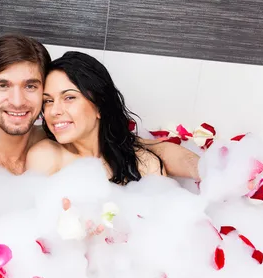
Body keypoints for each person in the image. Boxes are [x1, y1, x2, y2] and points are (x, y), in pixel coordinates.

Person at [0, 33, 200, 181]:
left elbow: (143, 147)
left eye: (31, 87)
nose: (18, 101)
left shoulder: (56, 136)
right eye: (3, 85)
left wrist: (212, 171)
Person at [26, 51, 164, 184]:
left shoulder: (145, 164)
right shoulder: (46, 158)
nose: (54, 111)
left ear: (99, 105)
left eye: (69, 97)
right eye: (48, 101)